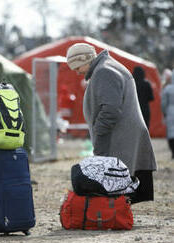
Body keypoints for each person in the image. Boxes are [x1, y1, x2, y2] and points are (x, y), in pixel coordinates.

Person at [66, 43, 157, 204]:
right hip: (125, 135)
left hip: (118, 137)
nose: (76, 71)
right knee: (124, 185)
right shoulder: (108, 66)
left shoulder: (104, 72)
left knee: (116, 181)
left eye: (77, 67)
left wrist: (99, 138)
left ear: (85, 60)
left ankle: (114, 214)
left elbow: (110, 110)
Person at [161, 69, 174, 159]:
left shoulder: (168, 89)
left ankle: (173, 151)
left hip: (170, 111)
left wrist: (164, 112)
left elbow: (164, 103)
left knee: (171, 132)